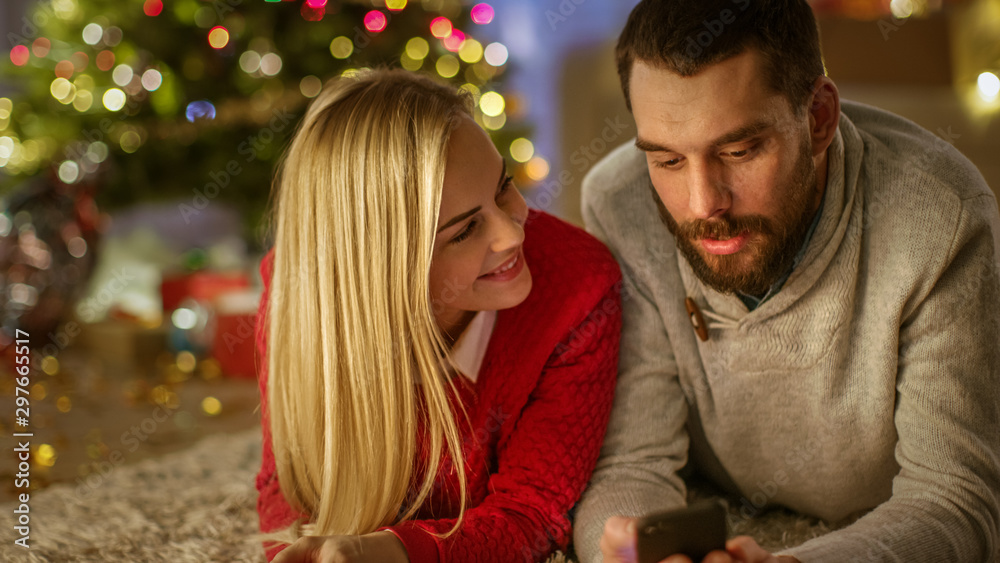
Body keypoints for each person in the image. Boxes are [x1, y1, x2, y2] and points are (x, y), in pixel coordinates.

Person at [572, 1, 1000, 562]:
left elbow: (955, 502)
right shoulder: (618, 204)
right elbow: (631, 463)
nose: (704, 205)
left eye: (739, 150)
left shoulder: (939, 219)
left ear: (818, 117)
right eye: (668, 161)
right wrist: (629, 551)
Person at [253, 69, 622, 563]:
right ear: (381, 266)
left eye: (503, 188)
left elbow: (532, 515)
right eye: (466, 230)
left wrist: (391, 553)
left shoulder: (580, 289)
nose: (514, 236)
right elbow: (288, 485)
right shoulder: (300, 294)